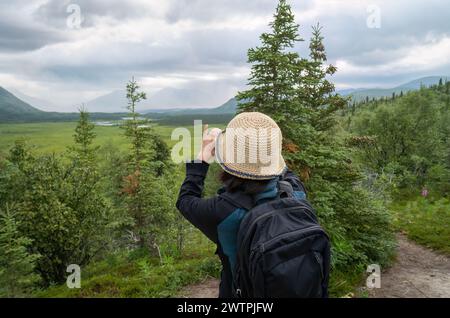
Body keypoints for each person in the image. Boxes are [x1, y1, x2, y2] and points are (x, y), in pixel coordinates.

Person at [176, 112, 328, 298]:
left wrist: (204, 154)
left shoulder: (223, 212)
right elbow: (283, 171)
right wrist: (261, 146)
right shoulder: (295, 192)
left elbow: (185, 201)